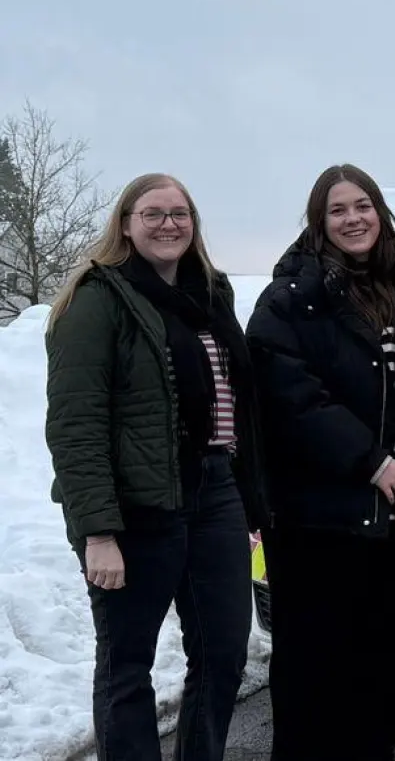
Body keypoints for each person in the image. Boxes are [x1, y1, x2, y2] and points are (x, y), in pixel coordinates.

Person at [247, 164, 395, 761]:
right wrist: (370, 462)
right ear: (319, 223)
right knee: (313, 669)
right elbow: (290, 398)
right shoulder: (289, 300)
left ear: (381, 211)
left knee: (382, 665)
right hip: (316, 519)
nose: (353, 219)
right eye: (338, 210)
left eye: (363, 205)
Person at [45, 173, 267, 761]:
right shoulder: (98, 298)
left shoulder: (210, 293)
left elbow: (239, 406)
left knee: (223, 655)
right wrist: (98, 532)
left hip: (216, 492)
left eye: (179, 213)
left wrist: (249, 501)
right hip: (135, 505)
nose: (169, 225)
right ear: (125, 223)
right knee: (127, 665)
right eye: (153, 214)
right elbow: (76, 425)